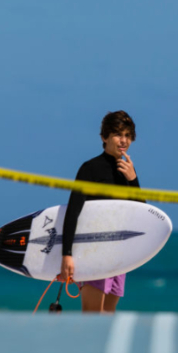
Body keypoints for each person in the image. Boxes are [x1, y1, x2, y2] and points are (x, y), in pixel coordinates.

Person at [60, 110, 141, 313]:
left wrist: (133, 180)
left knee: (108, 314)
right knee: (92, 315)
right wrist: (67, 254)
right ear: (104, 137)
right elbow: (73, 212)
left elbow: (142, 214)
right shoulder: (90, 169)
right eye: (117, 134)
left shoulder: (127, 171)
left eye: (127, 135)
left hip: (119, 253)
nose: (123, 140)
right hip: (95, 250)